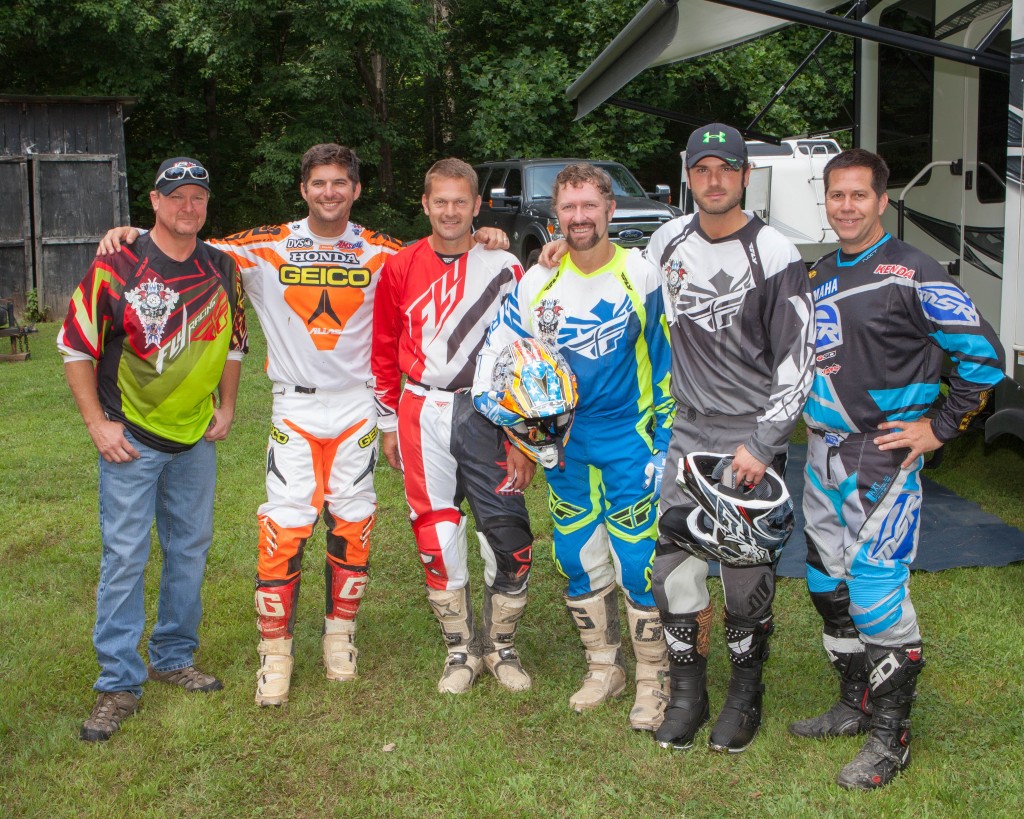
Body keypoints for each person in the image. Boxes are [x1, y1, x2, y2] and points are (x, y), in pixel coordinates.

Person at [98, 145, 511, 707]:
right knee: (285, 525)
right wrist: (134, 235)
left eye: (341, 183)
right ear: (303, 189)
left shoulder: (383, 251)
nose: (330, 193)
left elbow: (438, 255)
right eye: (319, 183)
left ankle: (340, 637)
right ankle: (276, 652)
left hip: (358, 405)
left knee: (355, 520)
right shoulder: (264, 245)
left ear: (357, 190)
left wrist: (490, 237)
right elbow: (186, 238)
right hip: (293, 405)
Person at [789, 148, 1005, 789]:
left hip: (878, 461)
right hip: (822, 457)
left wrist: (938, 427)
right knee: (827, 586)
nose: (846, 206)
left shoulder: (913, 271)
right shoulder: (820, 272)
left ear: (883, 201)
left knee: (876, 595)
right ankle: (856, 702)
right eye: (836, 196)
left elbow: (984, 356)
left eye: (859, 195)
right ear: (824, 202)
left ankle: (892, 736)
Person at [475, 163, 675, 731]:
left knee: (638, 559)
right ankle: (603, 666)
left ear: (610, 211)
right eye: (569, 208)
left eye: (590, 206)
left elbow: (665, 364)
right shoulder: (537, 281)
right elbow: (514, 368)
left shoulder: (642, 274)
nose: (580, 217)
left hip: (629, 441)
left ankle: (652, 678)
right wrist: (522, 440)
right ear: (555, 214)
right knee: (576, 555)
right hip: (564, 446)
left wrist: (664, 443)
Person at [60, 157, 247, 742]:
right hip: (130, 440)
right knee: (125, 558)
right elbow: (75, 347)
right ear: (154, 201)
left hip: (194, 438)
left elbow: (235, 344)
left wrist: (227, 407)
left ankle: (172, 656)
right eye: (177, 196)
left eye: (198, 197)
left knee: (189, 550)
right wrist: (98, 424)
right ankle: (118, 682)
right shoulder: (117, 264)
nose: (188, 206)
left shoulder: (223, 267)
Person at [643, 123, 814, 754]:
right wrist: (550, 250)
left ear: (745, 176)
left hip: (750, 433)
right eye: (702, 169)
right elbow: (609, 269)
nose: (713, 181)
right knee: (674, 568)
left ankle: (746, 693)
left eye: (726, 169)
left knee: (747, 576)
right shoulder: (667, 240)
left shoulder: (774, 252)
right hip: (688, 430)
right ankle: (689, 690)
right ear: (688, 177)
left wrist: (765, 443)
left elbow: (801, 360)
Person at [371, 158, 536, 694]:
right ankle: (461, 650)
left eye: (459, 202)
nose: (449, 211)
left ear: (476, 206)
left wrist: (524, 439)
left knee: (508, 536)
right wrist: (388, 423)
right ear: (424, 204)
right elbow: (382, 350)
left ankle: (501, 646)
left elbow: (528, 354)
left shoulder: (504, 263)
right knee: (437, 535)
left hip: (490, 412)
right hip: (421, 411)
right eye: (439, 201)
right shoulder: (398, 268)